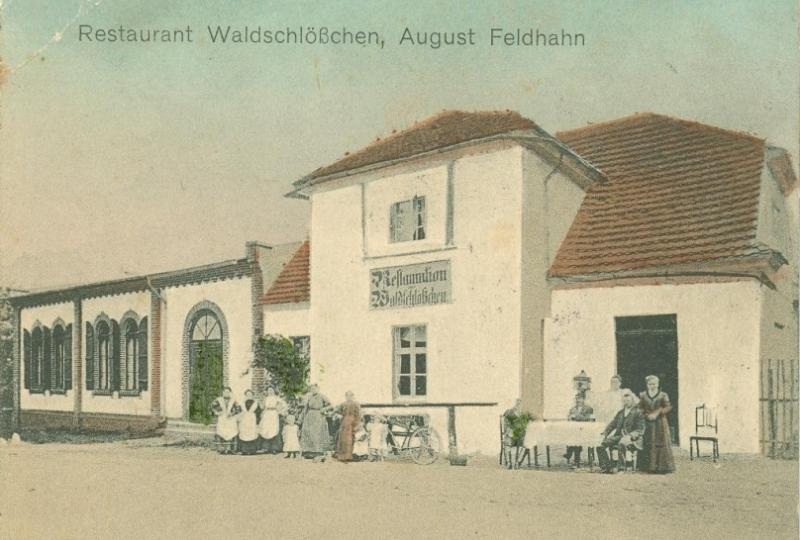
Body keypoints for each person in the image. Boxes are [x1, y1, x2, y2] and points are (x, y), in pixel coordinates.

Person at [595, 389, 645, 473]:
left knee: (621, 443)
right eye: (624, 401)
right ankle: (606, 467)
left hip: (633, 438)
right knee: (600, 445)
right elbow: (612, 424)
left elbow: (640, 429)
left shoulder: (638, 413)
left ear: (633, 401)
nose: (626, 402)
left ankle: (621, 467)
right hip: (619, 436)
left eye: (628, 400)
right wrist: (605, 433)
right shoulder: (620, 413)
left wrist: (631, 436)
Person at [638, 375, 675, 474]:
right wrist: (646, 414)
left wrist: (658, 412)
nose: (652, 386)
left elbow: (668, 407)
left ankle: (662, 467)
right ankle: (649, 467)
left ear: (658, 384)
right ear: (647, 385)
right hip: (648, 423)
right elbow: (640, 408)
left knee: (661, 442)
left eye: (654, 384)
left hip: (660, 423)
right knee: (649, 442)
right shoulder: (643, 395)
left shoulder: (663, 395)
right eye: (650, 384)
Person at [299, 384, 332, 458]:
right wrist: (301, 418)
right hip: (309, 416)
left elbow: (330, 405)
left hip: (318, 416)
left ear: (318, 389)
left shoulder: (322, 396)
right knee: (308, 432)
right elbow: (305, 408)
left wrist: (324, 409)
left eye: (314, 388)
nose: (313, 390)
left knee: (317, 433)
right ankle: (308, 451)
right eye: (312, 389)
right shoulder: (309, 397)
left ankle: (318, 452)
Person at [564, 393, 594, 467]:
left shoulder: (589, 408)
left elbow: (588, 418)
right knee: (575, 437)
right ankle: (575, 459)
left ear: (583, 399)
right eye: (577, 399)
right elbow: (569, 419)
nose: (578, 400)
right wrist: (569, 418)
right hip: (575, 430)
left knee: (576, 438)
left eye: (580, 398)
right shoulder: (572, 409)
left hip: (585, 430)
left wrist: (576, 416)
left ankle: (570, 455)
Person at [210, 387, 241, 454]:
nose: (226, 393)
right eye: (225, 392)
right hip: (222, 418)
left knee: (232, 432)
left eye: (228, 392)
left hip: (231, 419)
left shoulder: (233, 400)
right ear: (223, 393)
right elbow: (212, 407)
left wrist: (232, 413)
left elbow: (238, 409)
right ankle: (221, 449)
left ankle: (230, 449)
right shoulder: (219, 400)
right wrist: (217, 412)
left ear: (230, 393)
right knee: (221, 432)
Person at [333, 391, 361, 462]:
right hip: (344, 422)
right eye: (347, 396)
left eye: (350, 396)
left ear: (352, 396)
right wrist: (337, 415)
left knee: (350, 439)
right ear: (345, 397)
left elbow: (358, 414)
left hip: (352, 422)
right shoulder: (343, 404)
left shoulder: (356, 404)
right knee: (342, 439)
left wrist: (357, 424)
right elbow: (337, 411)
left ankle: (349, 456)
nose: (349, 397)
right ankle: (342, 456)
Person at [502, 399, 530, 469]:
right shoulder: (509, 412)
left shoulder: (525, 413)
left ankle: (518, 462)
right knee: (507, 444)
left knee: (528, 444)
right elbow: (506, 426)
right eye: (517, 404)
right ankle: (509, 463)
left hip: (521, 436)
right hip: (511, 436)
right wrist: (510, 432)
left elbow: (527, 426)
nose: (519, 405)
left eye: (521, 404)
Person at [259, 387, 286, 454]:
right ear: (267, 391)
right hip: (267, 414)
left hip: (273, 414)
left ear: (274, 391)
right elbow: (263, 407)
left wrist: (279, 410)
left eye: (271, 390)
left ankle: (275, 448)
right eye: (269, 390)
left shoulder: (277, 398)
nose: (270, 391)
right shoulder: (266, 398)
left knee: (274, 430)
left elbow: (284, 404)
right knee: (266, 430)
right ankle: (266, 448)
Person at [238, 389, 260, 455]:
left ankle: (252, 450)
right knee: (244, 433)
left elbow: (258, 412)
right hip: (244, 420)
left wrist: (257, 421)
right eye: (247, 394)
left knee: (252, 433)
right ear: (245, 395)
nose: (249, 395)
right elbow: (239, 412)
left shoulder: (255, 403)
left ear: (252, 395)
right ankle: (244, 450)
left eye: (250, 394)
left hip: (252, 419)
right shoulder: (242, 403)